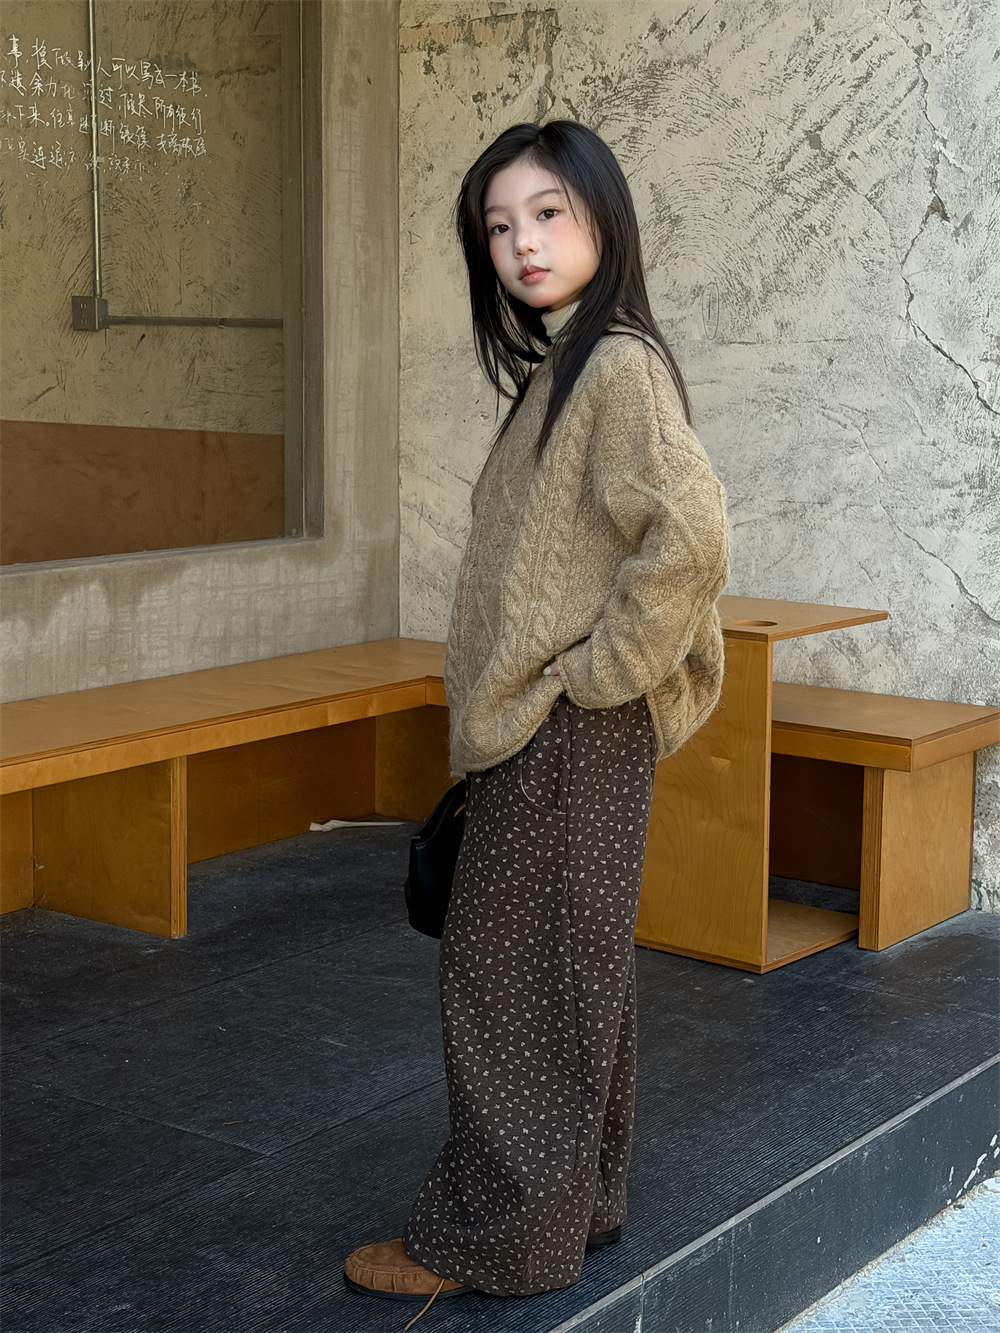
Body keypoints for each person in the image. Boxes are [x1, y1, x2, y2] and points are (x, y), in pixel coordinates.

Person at [344, 120, 729, 1324]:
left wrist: (598, 672)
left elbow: (692, 535)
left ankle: (497, 1237)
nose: (522, 242)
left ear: (602, 215)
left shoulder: (612, 367)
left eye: (548, 212)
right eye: (499, 225)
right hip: (560, 727)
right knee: (567, 969)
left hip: (566, 728)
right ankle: (577, 1200)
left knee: (507, 981)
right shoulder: (571, 365)